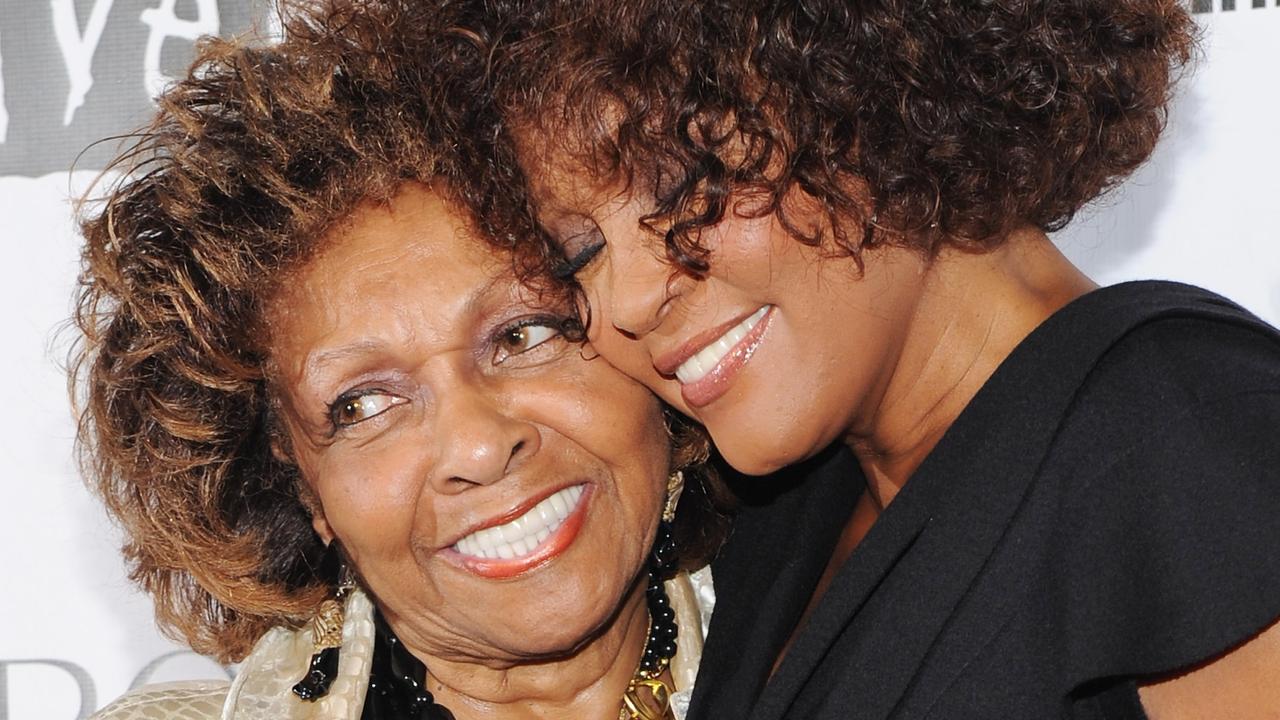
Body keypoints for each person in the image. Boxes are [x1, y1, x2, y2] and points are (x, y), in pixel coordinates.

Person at [461, 0, 1280, 717]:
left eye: (684, 190)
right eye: (579, 253)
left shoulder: (1184, 430)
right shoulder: (783, 524)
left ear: (872, 87)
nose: (632, 301)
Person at [73, 3, 728, 719]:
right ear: (298, 484)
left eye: (522, 336)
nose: (477, 446)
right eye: (363, 405)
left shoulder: (842, 638)